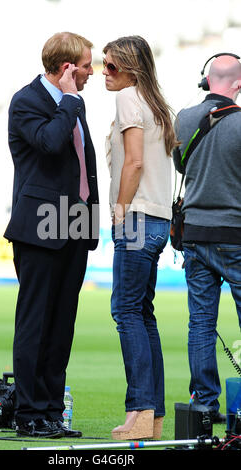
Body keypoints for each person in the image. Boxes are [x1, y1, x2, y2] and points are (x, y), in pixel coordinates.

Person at [4, 32, 99, 438]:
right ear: (67, 69)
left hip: (73, 226)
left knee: (61, 326)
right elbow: (49, 144)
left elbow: (82, 166)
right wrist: (69, 102)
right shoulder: (28, 101)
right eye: (87, 65)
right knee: (35, 323)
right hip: (41, 227)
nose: (92, 72)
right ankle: (29, 414)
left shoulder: (70, 104)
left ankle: (51, 413)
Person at [103, 36, 177, 440]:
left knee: (125, 312)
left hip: (136, 217)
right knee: (142, 314)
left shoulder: (129, 98)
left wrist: (119, 211)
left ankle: (140, 410)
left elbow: (133, 163)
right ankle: (154, 416)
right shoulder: (156, 104)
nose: (104, 73)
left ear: (132, 68)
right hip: (158, 219)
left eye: (111, 66)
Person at [173, 54, 241, 422]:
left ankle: (204, 405)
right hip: (236, 234)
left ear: (206, 80)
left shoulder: (184, 118)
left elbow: (181, 164)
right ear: (238, 83)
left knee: (200, 323)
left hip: (196, 234)